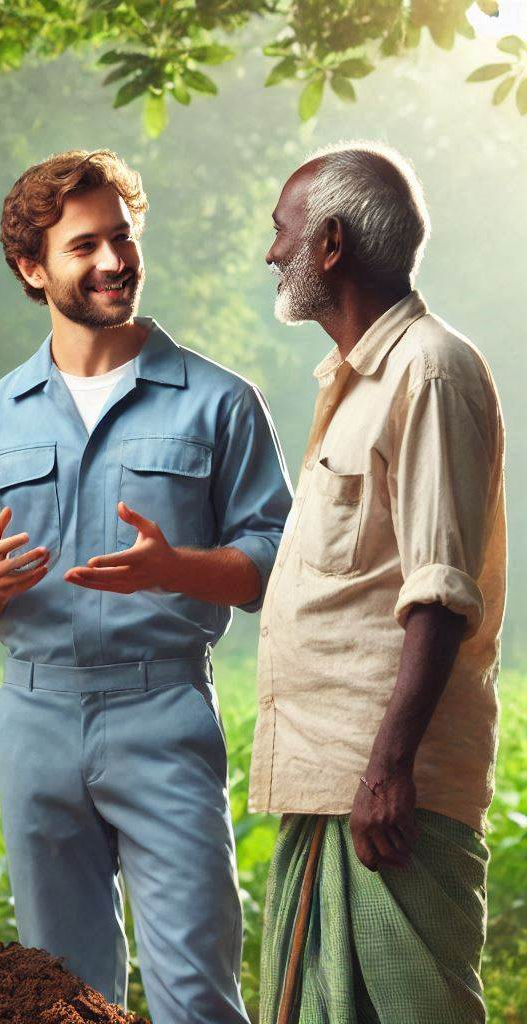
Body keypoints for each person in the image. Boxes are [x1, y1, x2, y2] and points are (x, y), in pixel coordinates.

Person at [0, 149, 292, 1024]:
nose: (113, 262)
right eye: (84, 246)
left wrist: (179, 569)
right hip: (32, 718)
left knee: (196, 992)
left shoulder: (219, 402)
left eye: (122, 239)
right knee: (60, 994)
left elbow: (279, 559)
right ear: (32, 267)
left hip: (161, 711)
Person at [254, 142, 506, 1024]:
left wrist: (388, 769)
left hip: (387, 793)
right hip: (337, 781)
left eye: (283, 232)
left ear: (330, 243)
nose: (271, 253)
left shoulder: (431, 369)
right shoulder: (361, 378)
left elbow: (438, 589)